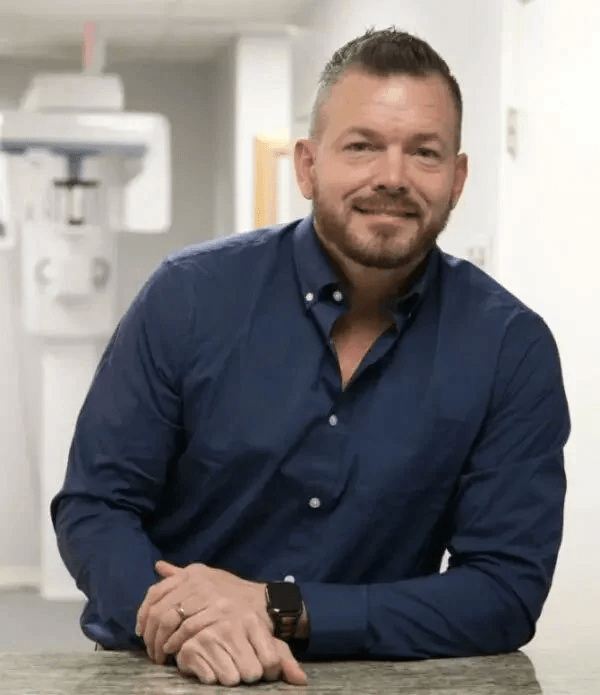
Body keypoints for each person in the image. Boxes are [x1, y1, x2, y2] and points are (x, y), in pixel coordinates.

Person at [51, 27, 570, 687]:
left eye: (424, 152)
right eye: (362, 146)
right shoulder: (188, 296)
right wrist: (187, 624)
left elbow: (504, 589)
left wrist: (277, 610)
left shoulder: (509, 348)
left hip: (373, 680)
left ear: (457, 178)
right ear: (306, 165)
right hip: (169, 670)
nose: (393, 177)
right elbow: (96, 507)